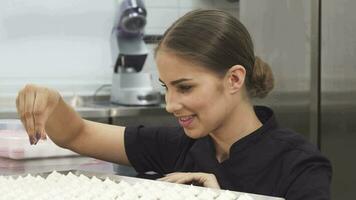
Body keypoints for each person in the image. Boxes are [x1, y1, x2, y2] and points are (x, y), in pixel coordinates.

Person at [16, 9, 331, 200]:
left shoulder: (299, 166)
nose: (170, 104)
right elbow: (78, 134)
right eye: (167, 88)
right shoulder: (182, 146)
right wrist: (52, 102)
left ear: (234, 79)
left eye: (185, 87)